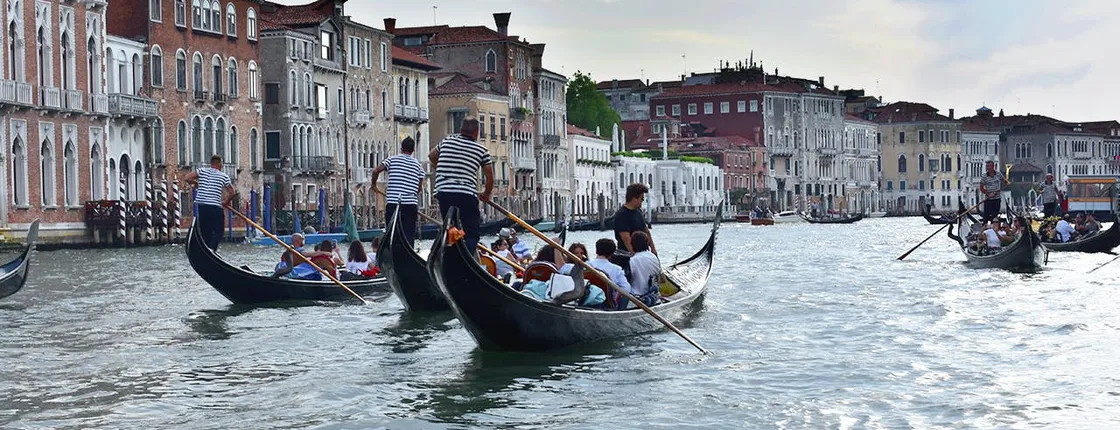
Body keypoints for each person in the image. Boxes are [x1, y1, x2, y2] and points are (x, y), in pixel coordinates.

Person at [429, 117, 494, 256]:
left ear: (460, 131)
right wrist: (485, 194)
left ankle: (450, 254)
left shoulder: (447, 141)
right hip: (466, 193)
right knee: (472, 232)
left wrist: (440, 168)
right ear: (477, 133)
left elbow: (431, 156)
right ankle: (468, 256)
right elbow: (489, 177)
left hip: (443, 192)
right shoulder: (481, 150)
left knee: (450, 227)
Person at [372, 136, 425, 245]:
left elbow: (376, 171)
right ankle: (407, 255)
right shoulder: (418, 166)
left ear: (401, 148)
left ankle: (392, 253)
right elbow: (419, 188)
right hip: (410, 205)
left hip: (393, 203)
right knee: (409, 235)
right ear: (413, 150)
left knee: (392, 234)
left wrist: (373, 184)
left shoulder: (391, 159)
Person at [182, 154, 236, 250]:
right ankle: (212, 250)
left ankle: (205, 249)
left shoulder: (202, 171)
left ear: (211, 164)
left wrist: (195, 183)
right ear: (218, 163)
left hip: (202, 206)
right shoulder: (223, 176)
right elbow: (232, 193)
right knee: (219, 231)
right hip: (215, 206)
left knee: (205, 230)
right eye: (221, 164)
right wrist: (226, 202)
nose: (222, 166)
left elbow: (187, 178)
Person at [587, 238, 632, 310]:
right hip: (606, 305)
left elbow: (564, 268)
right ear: (612, 254)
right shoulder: (616, 269)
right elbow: (627, 289)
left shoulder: (586, 265)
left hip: (585, 302)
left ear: (596, 251)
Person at [613, 183, 657, 256]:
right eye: (641, 198)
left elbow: (646, 231)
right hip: (627, 255)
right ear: (634, 198)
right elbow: (626, 239)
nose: (642, 201)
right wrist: (635, 256)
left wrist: (653, 249)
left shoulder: (638, 211)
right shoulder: (622, 215)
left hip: (644, 253)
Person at [627, 232, 663, 306]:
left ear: (632, 244)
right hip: (653, 296)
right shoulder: (654, 257)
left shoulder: (632, 261)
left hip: (637, 298)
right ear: (647, 244)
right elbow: (661, 278)